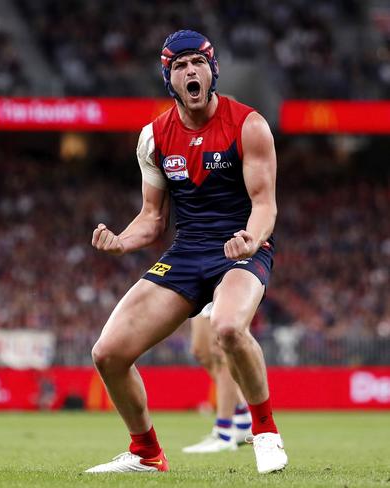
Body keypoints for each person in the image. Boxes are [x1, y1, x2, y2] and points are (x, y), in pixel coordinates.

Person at [85, 30, 287, 474]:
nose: (190, 71)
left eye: (198, 62)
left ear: (212, 70)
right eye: (179, 66)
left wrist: (250, 240)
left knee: (229, 327)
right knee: (108, 353)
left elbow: (265, 205)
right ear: (168, 77)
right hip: (186, 253)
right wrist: (121, 240)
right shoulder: (154, 137)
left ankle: (266, 432)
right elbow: (152, 219)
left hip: (240, 249)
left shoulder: (248, 124)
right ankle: (146, 453)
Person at [182, 302, 252, 453]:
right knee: (200, 351)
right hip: (199, 281)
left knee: (220, 351)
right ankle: (243, 420)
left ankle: (223, 433)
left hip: (220, 283)